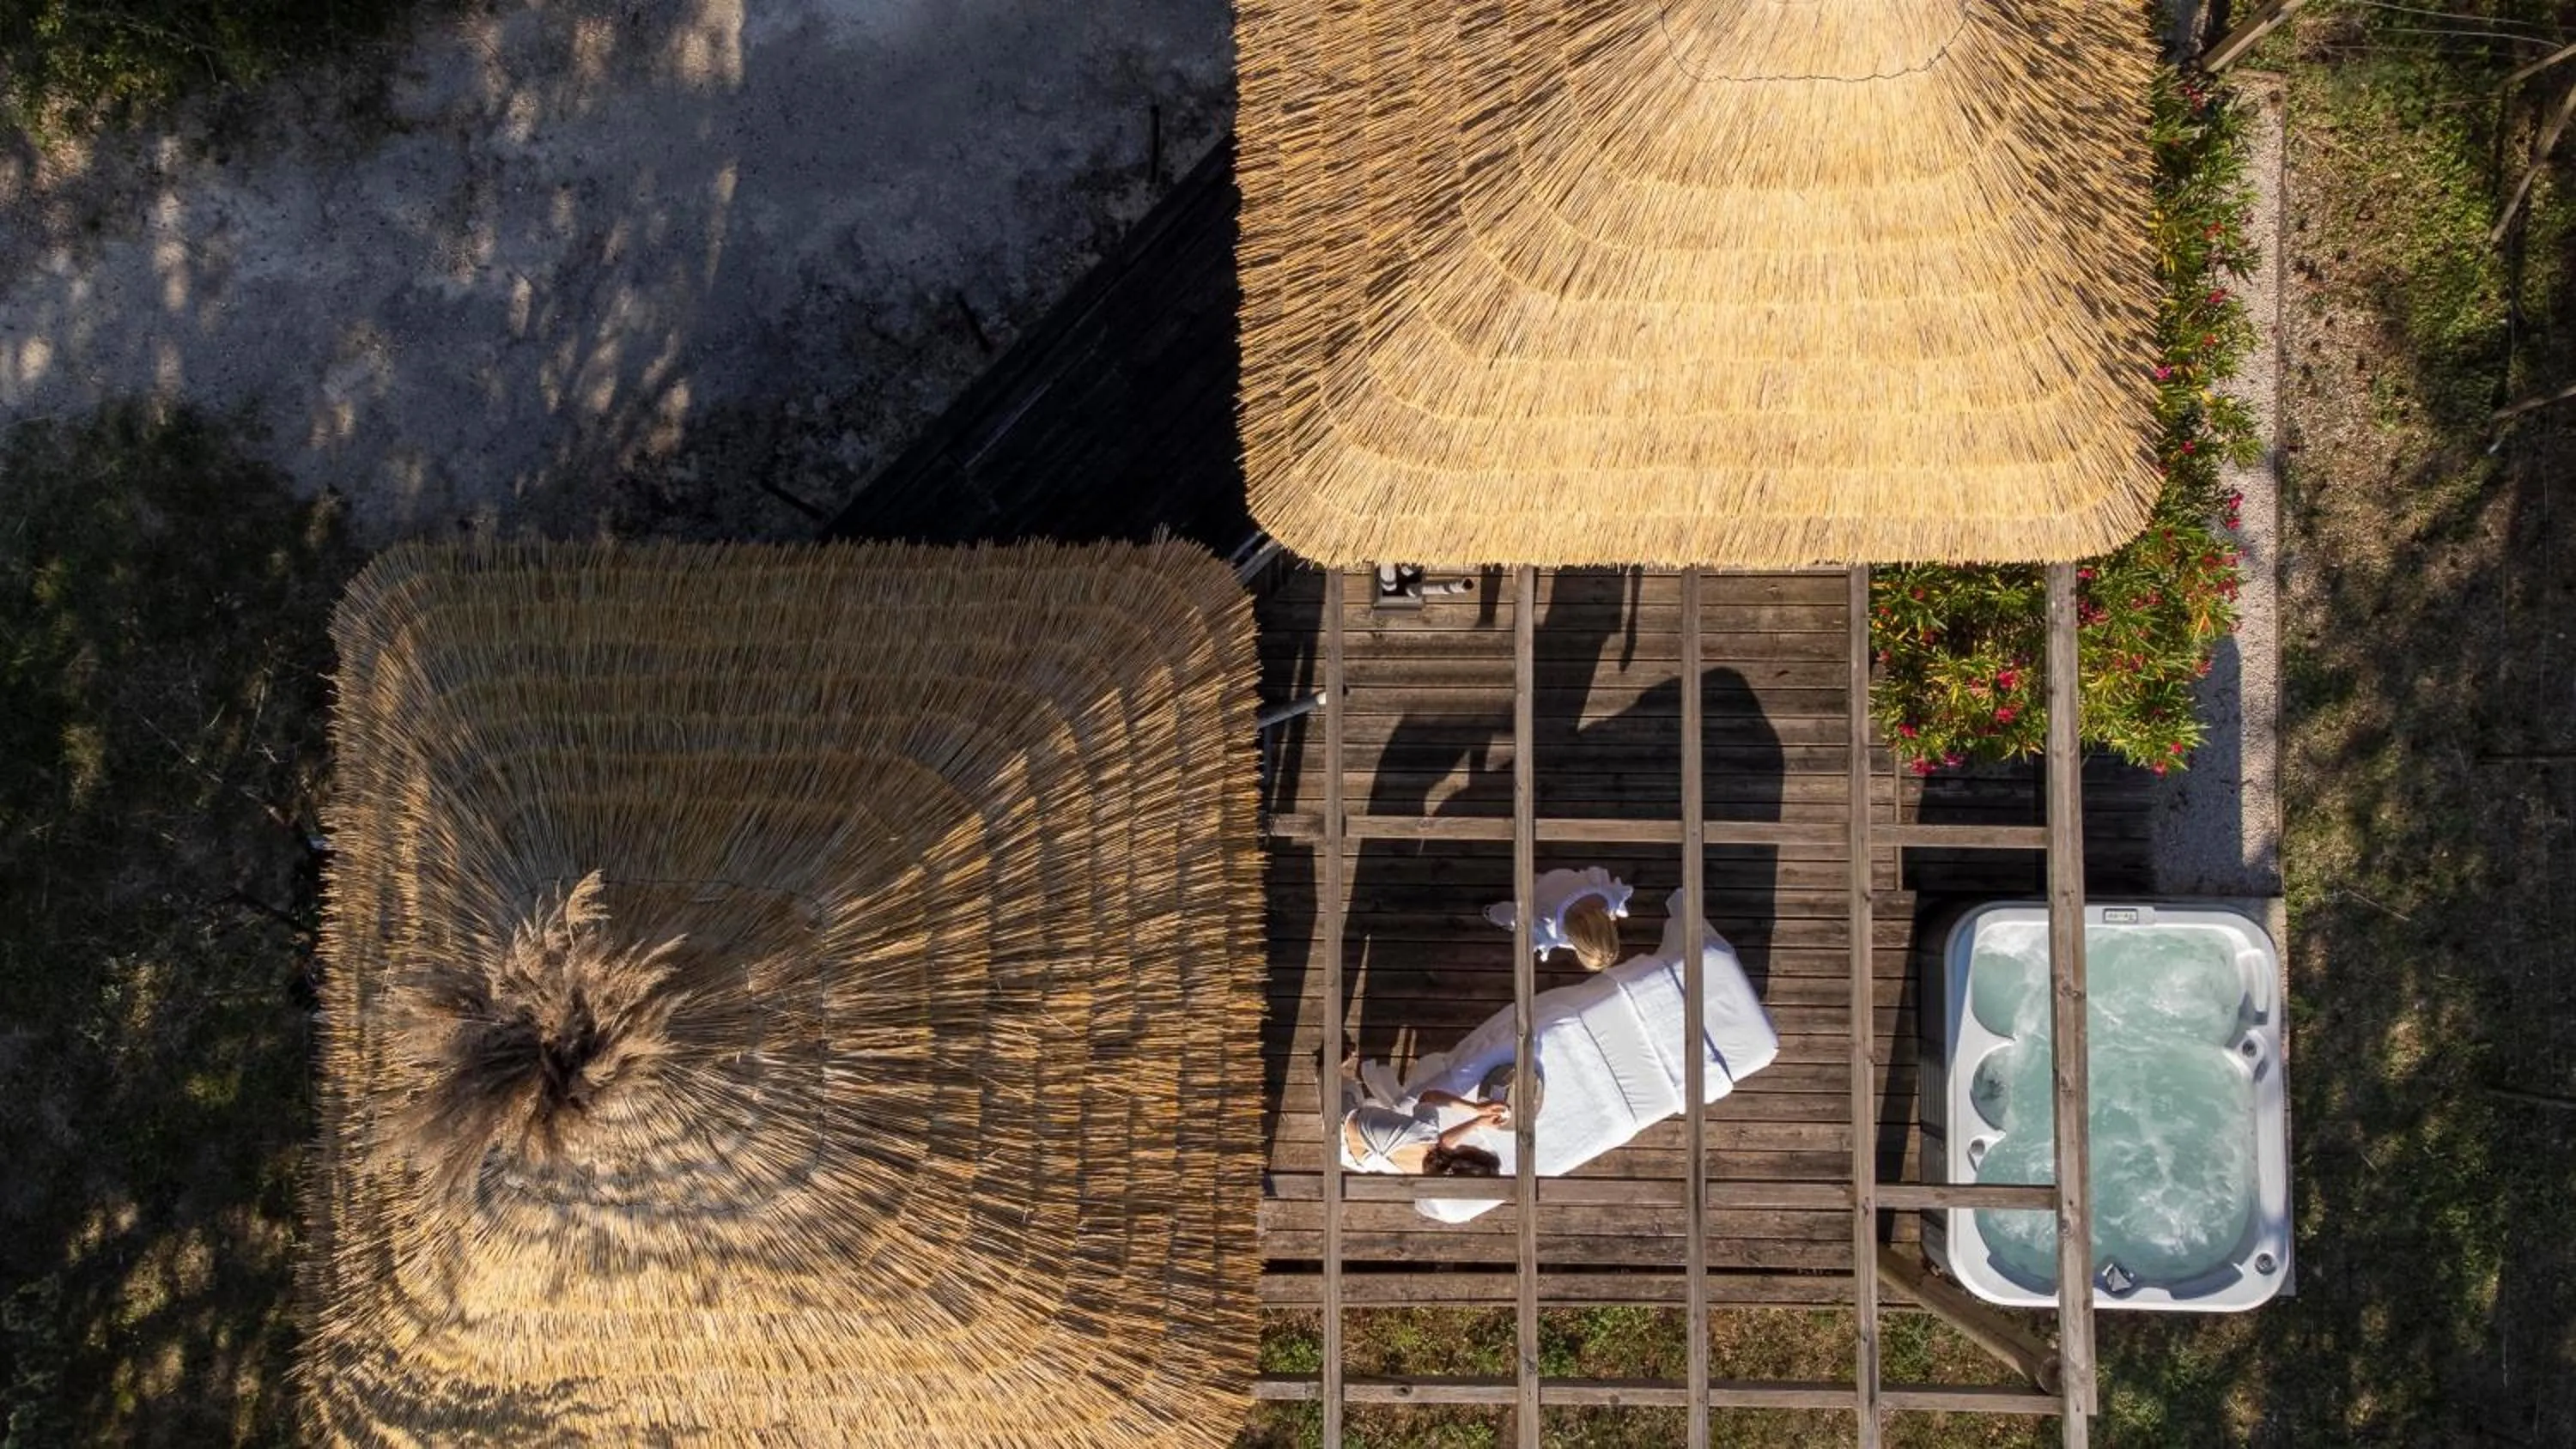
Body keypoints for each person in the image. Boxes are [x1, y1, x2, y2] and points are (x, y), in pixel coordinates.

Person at [1336, 1055, 1509, 1175]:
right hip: (1348, 1158)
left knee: (1345, 1087)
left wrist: (1475, 1108)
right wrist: (1478, 1121)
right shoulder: (1431, 1174)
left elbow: (1430, 1096)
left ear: (1471, 1154)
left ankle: (1326, 1066)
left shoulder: (1425, 1131)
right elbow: (1442, 1145)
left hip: (1342, 1122)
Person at [1484, 866, 1629, 971]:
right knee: (1515, 914)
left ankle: (1537, 879)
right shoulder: (1550, 927)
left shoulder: (1609, 897)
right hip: (1540, 895)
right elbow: (1516, 916)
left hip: (1560, 876)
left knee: (1549, 887)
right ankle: (1490, 912)